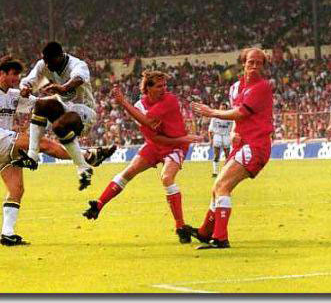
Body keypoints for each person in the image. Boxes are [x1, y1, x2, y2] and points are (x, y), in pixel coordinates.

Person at [0, 56, 74, 246]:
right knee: (43, 144)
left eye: (18, 75)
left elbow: (39, 104)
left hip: (1, 148)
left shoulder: (14, 95)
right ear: (2, 74)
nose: (17, 78)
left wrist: (56, 95)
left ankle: (7, 234)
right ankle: (87, 157)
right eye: (14, 74)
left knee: (16, 189)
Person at [82, 71, 202, 243]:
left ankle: (180, 226)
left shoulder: (169, 100)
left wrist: (123, 102)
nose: (164, 89)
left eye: (165, 85)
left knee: (167, 178)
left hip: (175, 146)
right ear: (148, 88)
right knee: (128, 172)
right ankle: (98, 205)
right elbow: (154, 136)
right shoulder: (139, 106)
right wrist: (183, 137)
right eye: (159, 86)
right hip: (156, 144)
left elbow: (148, 122)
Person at [190, 48, 274, 249]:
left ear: (263, 67)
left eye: (258, 63)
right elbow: (240, 116)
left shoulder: (261, 88)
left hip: (255, 145)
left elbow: (241, 112)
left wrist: (212, 112)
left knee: (222, 187)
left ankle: (220, 238)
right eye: (251, 62)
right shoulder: (241, 88)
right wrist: (234, 131)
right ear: (243, 64)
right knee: (217, 187)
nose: (254, 66)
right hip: (245, 144)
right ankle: (204, 232)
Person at [18, 41, 116, 190]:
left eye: (50, 61)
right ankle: (32, 155)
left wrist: (63, 88)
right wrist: (25, 88)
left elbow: (78, 79)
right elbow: (28, 80)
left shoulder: (77, 65)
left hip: (84, 112)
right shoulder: (44, 64)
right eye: (45, 61)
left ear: (60, 56)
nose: (47, 65)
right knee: (40, 105)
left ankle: (83, 167)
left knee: (59, 126)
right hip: (64, 108)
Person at [208, 103, 233, 177]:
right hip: (217, 135)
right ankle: (215, 172)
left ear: (226, 109)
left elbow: (233, 128)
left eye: (224, 109)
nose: (222, 110)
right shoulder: (215, 117)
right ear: (219, 108)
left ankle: (227, 171)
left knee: (227, 155)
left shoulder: (230, 118)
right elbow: (210, 130)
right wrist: (211, 140)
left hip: (226, 135)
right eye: (221, 108)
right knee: (216, 155)